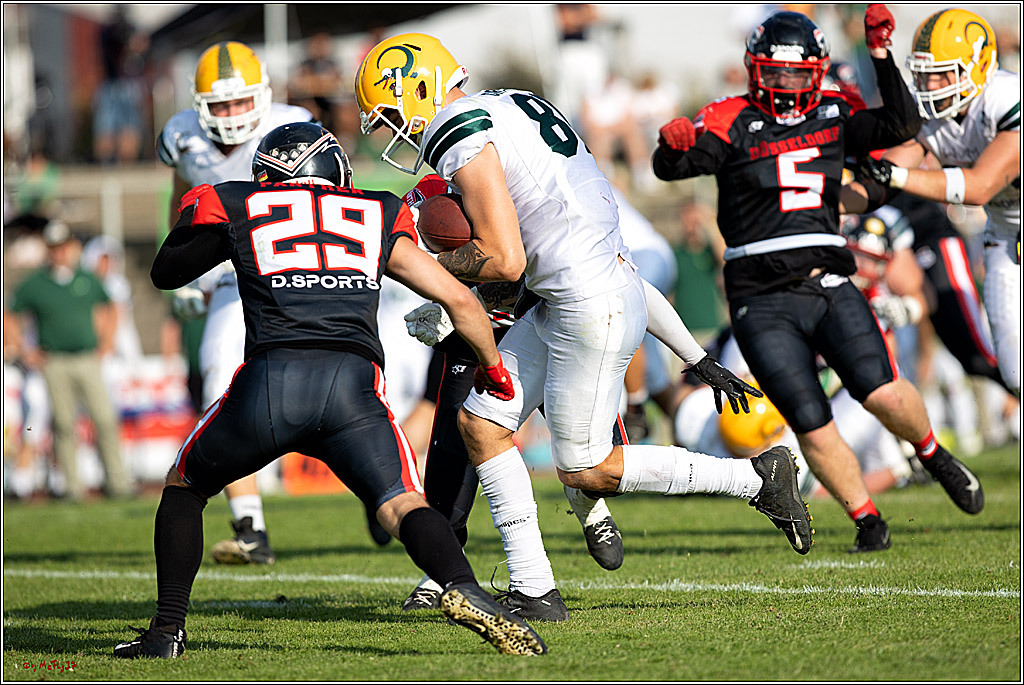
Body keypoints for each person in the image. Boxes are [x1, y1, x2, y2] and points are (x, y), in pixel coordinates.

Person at [356, 32, 813, 614]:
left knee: (586, 469)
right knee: (482, 422)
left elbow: (504, 259)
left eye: (390, 114)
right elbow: (583, 264)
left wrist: (428, 275)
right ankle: (534, 588)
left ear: (416, 90)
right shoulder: (514, 102)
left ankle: (755, 479)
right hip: (587, 291)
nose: (392, 130)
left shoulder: (458, 127)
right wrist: (697, 358)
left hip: (584, 305)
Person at [112, 122, 546, 659]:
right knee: (401, 504)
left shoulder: (239, 202)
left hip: (271, 383)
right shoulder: (376, 210)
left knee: (185, 486)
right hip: (352, 388)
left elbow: (166, 272)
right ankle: (463, 586)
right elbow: (459, 300)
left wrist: (201, 221)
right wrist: (492, 367)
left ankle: (166, 632)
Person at [652, 6, 984, 554]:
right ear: (755, 69)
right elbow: (674, 167)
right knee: (809, 419)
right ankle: (867, 520)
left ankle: (932, 452)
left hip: (826, 280)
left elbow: (901, 125)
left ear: (816, 71)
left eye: (796, 72)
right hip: (760, 299)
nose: (786, 83)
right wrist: (672, 146)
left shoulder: (834, 109)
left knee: (882, 390)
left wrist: (881, 56)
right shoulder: (730, 117)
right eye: (775, 72)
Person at [158, 41, 387, 564]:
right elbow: (182, 195)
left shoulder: (294, 123)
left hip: (299, 268)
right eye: (221, 105)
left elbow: (340, 191)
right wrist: (186, 262)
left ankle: (380, 490)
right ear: (199, 106)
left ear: (263, 96)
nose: (234, 114)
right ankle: (250, 526)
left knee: (345, 387)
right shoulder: (180, 135)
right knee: (220, 377)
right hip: (229, 266)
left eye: (242, 102)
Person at [854, 7, 1020, 400]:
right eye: (925, 73)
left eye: (943, 73)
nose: (930, 84)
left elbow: (979, 187)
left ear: (977, 66)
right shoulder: (933, 114)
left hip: (1002, 222)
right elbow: (880, 179)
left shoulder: (1005, 98)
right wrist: (827, 200)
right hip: (1004, 233)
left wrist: (893, 176)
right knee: (1014, 370)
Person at [7, 220, 133, 500]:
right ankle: (73, 487)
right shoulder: (36, 283)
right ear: (48, 250)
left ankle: (118, 482)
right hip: (54, 361)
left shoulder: (86, 278)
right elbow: (10, 314)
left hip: (87, 357)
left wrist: (107, 342)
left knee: (104, 418)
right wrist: (25, 350)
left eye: (63, 246)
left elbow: (111, 306)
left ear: (71, 247)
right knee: (64, 424)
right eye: (54, 248)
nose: (60, 253)